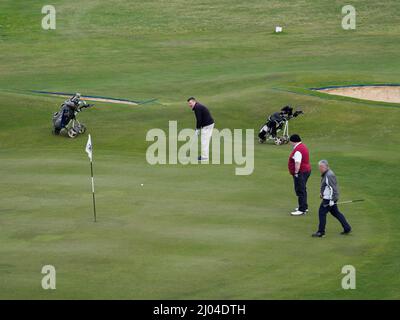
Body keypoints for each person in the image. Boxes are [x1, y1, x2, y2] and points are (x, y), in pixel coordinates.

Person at [312, 160, 352, 238]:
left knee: (322, 213)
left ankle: (321, 232)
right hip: (328, 198)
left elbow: (334, 189)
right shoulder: (326, 173)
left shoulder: (329, 175)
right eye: (319, 167)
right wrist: (322, 193)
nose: (319, 169)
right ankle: (347, 228)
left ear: (325, 167)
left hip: (329, 199)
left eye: (321, 167)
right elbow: (325, 185)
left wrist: (332, 200)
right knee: (335, 212)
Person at [288, 134, 311, 216]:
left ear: (293, 141)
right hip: (305, 171)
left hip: (301, 172)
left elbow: (297, 162)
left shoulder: (298, 150)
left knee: (300, 190)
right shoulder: (302, 146)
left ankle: (302, 210)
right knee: (303, 189)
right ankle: (304, 206)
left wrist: (296, 173)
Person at [187, 97, 215, 161]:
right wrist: (198, 129)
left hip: (207, 125)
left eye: (190, 103)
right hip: (207, 124)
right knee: (204, 140)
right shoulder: (197, 106)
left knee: (204, 141)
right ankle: (204, 156)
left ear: (194, 101)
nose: (189, 105)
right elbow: (200, 119)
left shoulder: (197, 108)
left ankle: (204, 157)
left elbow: (199, 120)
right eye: (188, 103)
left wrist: (197, 129)